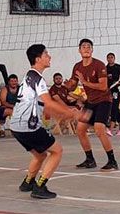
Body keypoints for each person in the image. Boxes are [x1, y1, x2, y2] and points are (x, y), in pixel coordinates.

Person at [13, 44, 81, 199]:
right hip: (28, 126)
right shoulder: (38, 79)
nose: (49, 56)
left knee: (40, 155)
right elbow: (49, 103)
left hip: (17, 127)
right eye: (46, 54)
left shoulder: (28, 77)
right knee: (57, 151)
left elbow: (45, 107)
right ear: (38, 59)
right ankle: (40, 187)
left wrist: (63, 114)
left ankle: (28, 182)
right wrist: (71, 113)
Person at [67, 38, 118, 170]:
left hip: (104, 100)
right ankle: (90, 160)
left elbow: (103, 86)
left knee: (99, 128)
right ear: (79, 50)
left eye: (89, 46)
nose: (86, 48)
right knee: (80, 129)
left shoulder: (99, 65)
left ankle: (112, 161)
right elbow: (72, 86)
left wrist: (85, 81)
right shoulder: (77, 66)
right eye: (83, 46)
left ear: (92, 50)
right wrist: (69, 86)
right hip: (91, 102)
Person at [106, 52, 120, 136]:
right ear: (107, 59)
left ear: (114, 58)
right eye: (109, 57)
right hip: (109, 90)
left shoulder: (118, 67)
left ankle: (111, 129)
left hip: (117, 90)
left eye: (112, 57)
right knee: (115, 108)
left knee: (114, 107)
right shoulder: (105, 68)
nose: (110, 59)